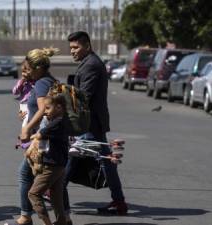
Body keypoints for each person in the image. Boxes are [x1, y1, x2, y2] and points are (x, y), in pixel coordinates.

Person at [63, 31, 128, 215]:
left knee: (72, 157)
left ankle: (55, 190)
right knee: (106, 161)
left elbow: (84, 97)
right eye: (71, 48)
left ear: (87, 46)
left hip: (89, 123)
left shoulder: (91, 65)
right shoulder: (88, 63)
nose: (73, 51)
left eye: (76, 47)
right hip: (92, 123)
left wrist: (64, 102)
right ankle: (119, 201)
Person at [6, 47, 60, 225]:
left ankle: (25, 216)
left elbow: (45, 109)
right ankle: (63, 217)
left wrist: (28, 128)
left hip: (43, 139)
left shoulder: (42, 83)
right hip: (52, 137)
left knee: (25, 175)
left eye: (28, 69)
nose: (26, 73)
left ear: (38, 68)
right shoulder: (51, 80)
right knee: (56, 181)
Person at [28, 95, 69, 225]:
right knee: (56, 196)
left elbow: (39, 134)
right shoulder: (61, 120)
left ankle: (47, 223)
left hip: (52, 165)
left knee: (33, 194)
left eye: (47, 108)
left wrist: (30, 136)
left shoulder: (56, 123)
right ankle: (61, 221)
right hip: (59, 164)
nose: (45, 111)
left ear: (58, 107)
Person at [12, 60, 34, 127]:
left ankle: (24, 134)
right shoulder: (22, 82)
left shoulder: (35, 82)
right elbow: (15, 92)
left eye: (26, 71)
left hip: (31, 104)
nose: (23, 74)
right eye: (22, 72)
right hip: (23, 105)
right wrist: (22, 82)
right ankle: (25, 133)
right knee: (25, 120)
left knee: (28, 123)